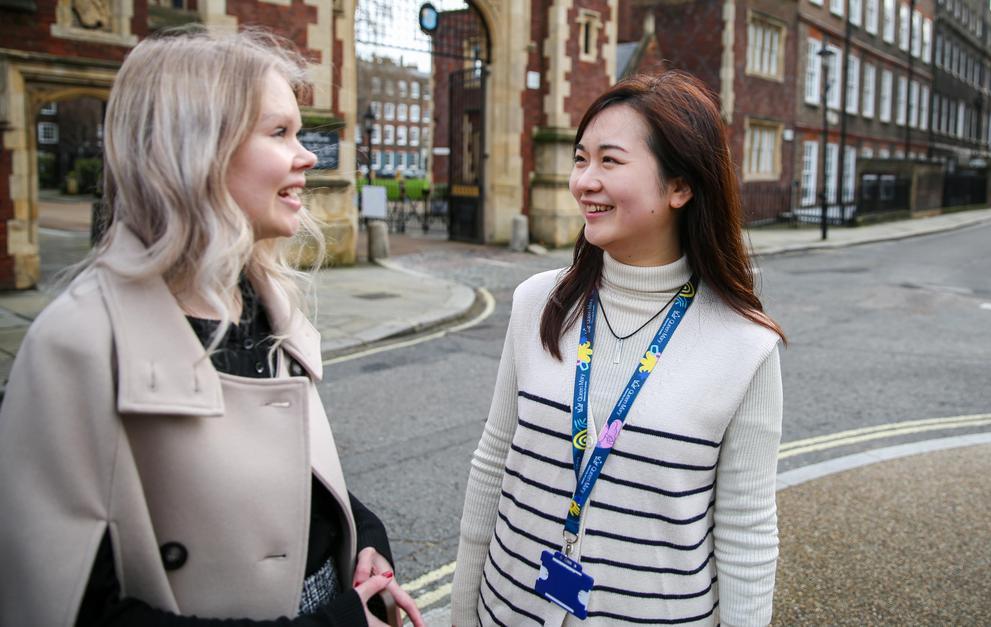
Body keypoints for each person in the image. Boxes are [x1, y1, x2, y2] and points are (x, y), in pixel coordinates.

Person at [0, 29, 423, 627]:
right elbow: (68, 608)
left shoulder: (266, 302)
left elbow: (287, 481)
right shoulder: (77, 343)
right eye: (279, 133)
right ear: (197, 148)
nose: (308, 156)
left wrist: (362, 540)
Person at [450, 71, 786, 626]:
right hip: (506, 609)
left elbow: (747, 530)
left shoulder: (745, 345)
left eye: (610, 161)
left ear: (680, 187)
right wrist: (464, 615)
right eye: (581, 159)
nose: (584, 180)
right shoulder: (538, 302)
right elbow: (493, 466)